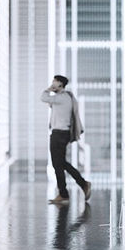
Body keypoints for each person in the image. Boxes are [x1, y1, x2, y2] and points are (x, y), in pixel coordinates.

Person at [40, 75, 91, 205]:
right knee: (60, 164)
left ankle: (68, 191)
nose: (52, 84)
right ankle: (77, 186)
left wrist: (49, 89)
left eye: (54, 82)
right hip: (61, 133)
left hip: (59, 134)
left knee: (58, 164)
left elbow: (43, 97)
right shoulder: (64, 97)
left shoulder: (62, 97)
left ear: (60, 84)